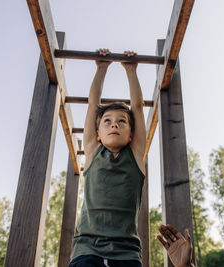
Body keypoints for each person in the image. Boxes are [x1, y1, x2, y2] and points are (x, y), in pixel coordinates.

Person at [69, 49, 146, 267]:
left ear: (131, 134)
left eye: (122, 121)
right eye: (108, 121)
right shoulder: (93, 151)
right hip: (87, 248)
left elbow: (138, 108)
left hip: (126, 252)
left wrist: (131, 71)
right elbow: (93, 105)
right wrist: (101, 68)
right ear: (98, 135)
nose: (114, 124)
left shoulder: (136, 156)